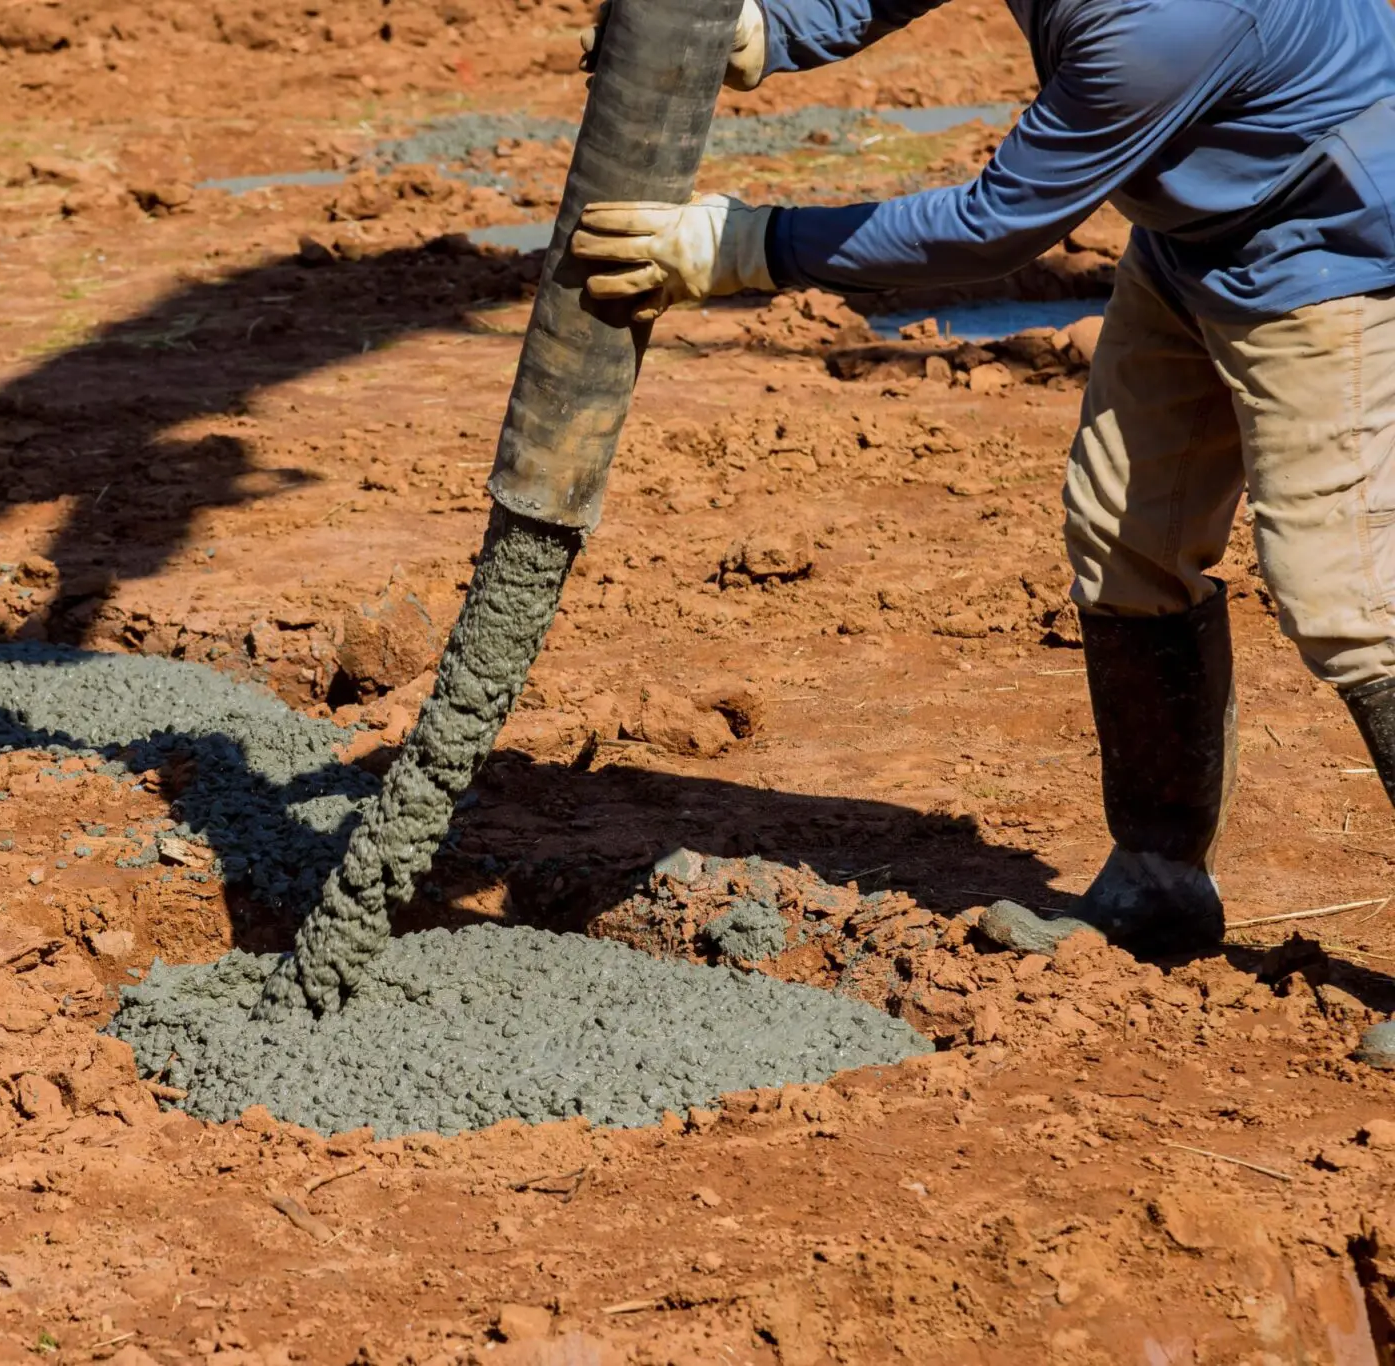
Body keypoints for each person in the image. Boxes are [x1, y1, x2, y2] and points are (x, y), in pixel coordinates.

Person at [571, 0, 1395, 956]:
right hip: (1194, 233)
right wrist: (775, 26)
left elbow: (994, 225)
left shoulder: (1163, 24)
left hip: (1329, 251)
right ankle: (1157, 880)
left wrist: (748, 249)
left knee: (1351, 599)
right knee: (1125, 535)